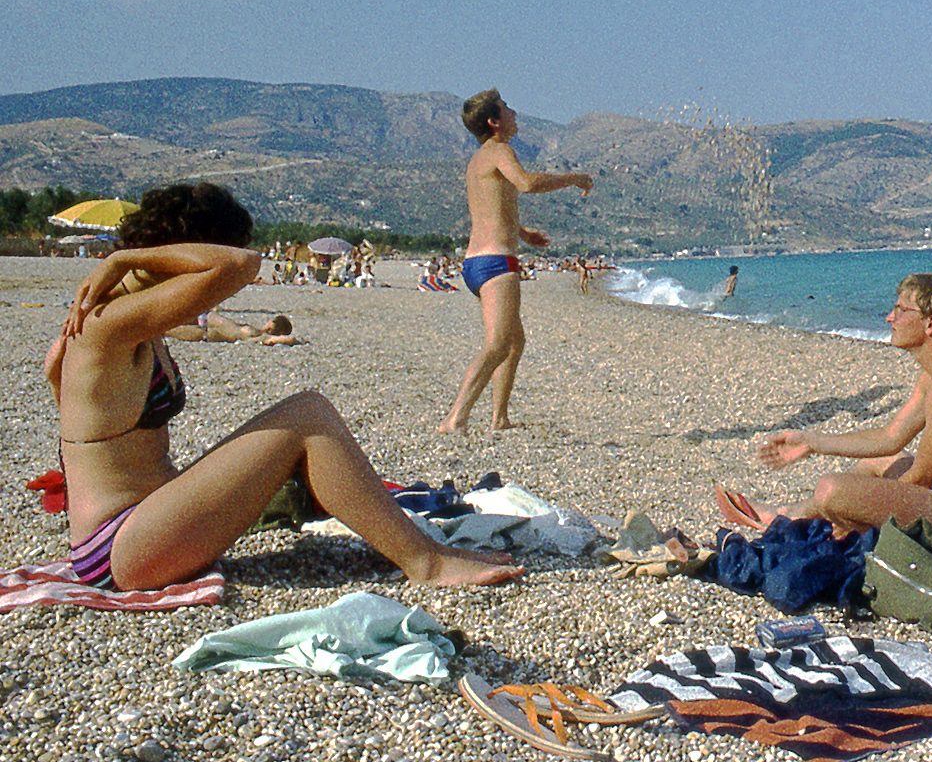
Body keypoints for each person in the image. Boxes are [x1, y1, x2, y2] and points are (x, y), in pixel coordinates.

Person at [44, 182, 523, 591]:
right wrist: (129, 257)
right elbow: (241, 263)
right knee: (307, 415)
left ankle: (421, 550)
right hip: (120, 547)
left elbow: (53, 372)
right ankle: (427, 563)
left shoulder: (116, 317)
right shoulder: (110, 321)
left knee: (303, 416)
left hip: (139, 526)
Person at [725, 273, 932, 541]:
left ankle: (793, 520)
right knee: (883, 462)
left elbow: (922, 477)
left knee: (831, 490)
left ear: (930, 323)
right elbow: (891, 436)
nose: (889, 318)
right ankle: (789, 514)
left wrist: (857, 514)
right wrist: (812, 442)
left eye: (900, 310)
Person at [439, 89, 592, 433]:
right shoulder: (499, 151)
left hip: (477, 262)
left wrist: (523, 234)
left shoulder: (479, 159)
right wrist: (573, 178)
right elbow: (526, 183)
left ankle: (500, 418)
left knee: (513, 340)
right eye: (507, 108)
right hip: (495, 263)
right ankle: (455, 418)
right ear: (494, 122)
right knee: (497, 345)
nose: (515, 111)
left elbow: (490, 207)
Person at [167, 311, 303, 345]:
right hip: (212, 325)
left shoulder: (262, 336)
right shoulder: (258, 333)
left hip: (212, 331)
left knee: (165, 328)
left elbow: (290, 339)